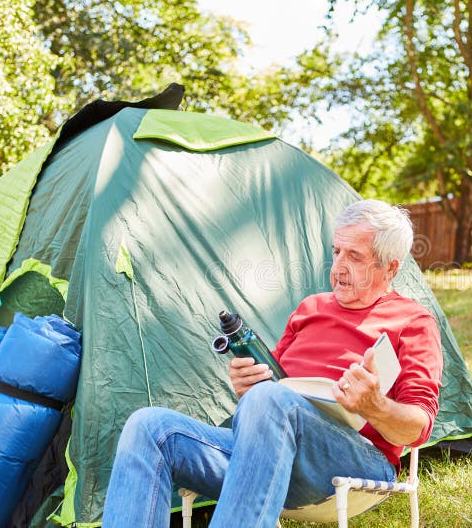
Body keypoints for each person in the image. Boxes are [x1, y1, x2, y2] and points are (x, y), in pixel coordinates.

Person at [102, 199, 443, 528]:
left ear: (390, 267)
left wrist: (376, 407)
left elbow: (418, 427)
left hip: (355, 461)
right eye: (337, 251)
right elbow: (271, 395)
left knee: (271, 401)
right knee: (149, 426)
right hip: (265, 457)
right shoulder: (310, 308)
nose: (339, 266)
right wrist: (248, 386)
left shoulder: (412, 321)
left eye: (355, 256)